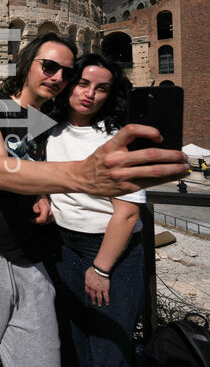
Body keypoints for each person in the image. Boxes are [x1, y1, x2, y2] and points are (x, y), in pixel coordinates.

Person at [0, 33, 188, 367]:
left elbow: (33, 163)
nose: (57, 78)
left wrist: (42, 194)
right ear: (27, 64)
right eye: (49, 66)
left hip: (29, 257)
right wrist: (82, 175)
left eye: (67, 73)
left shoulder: (46, 121)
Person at [45, 54, 143, 366]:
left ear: (110, 95)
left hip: (111, 250)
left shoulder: (119, 137)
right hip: (63, 246)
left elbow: (128, 212)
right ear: (69, 85)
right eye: (83, 84)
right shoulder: (49, 130)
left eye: (101, 88)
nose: (90, 94)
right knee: (72, 345)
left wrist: (101, 269)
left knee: (108, 351)